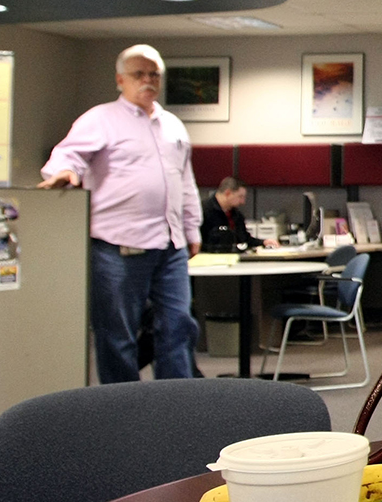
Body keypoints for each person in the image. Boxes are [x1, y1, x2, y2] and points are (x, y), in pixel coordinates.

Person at [39, 44, 203, 384]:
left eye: (154, 74)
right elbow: (68, 156)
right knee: (117, 333)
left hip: (169, 245)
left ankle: (179, 402)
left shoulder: (172, 125)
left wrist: (192, 230)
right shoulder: (100, 119)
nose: (148, 81)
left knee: (178, 326)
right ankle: (121, 407)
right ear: (120, 80)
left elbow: (184, 181)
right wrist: (66, 174)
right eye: (139, 74)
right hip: (118, 246)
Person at [201, 176, 279, 253]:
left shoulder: (236, 215)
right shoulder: (203, 211)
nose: (243, 202)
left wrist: (263, 242)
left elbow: (244, 239)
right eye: (240, 197)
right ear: (228, 193)